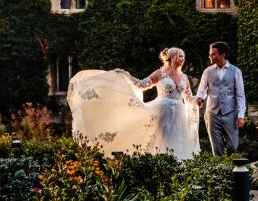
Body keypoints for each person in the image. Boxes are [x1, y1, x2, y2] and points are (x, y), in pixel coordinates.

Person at [67, 47, 200, 160]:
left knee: (179, 141)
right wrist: (126, 75)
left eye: (183, 57)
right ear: (172, 57)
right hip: (162, 112)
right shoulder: (160, 73)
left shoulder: (184, 77)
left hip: (179, 114)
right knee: (163, 140)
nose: (183, 59)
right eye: (180, 56)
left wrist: (197, 100)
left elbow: (188, 97)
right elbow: (141, 84)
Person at [195, 41, 246, 156]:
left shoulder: (236, 71)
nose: (210, 56)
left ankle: (231, 168)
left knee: (233, 146)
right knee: (216, 148)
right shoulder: (207, 71)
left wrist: (241, 115)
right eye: (210, 54)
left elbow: (240, 95)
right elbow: (202, 89)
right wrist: (200, 98)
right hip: (212, 112)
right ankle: (220, 171)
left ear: (223, 55)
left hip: (230, 113)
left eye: (213, 54)